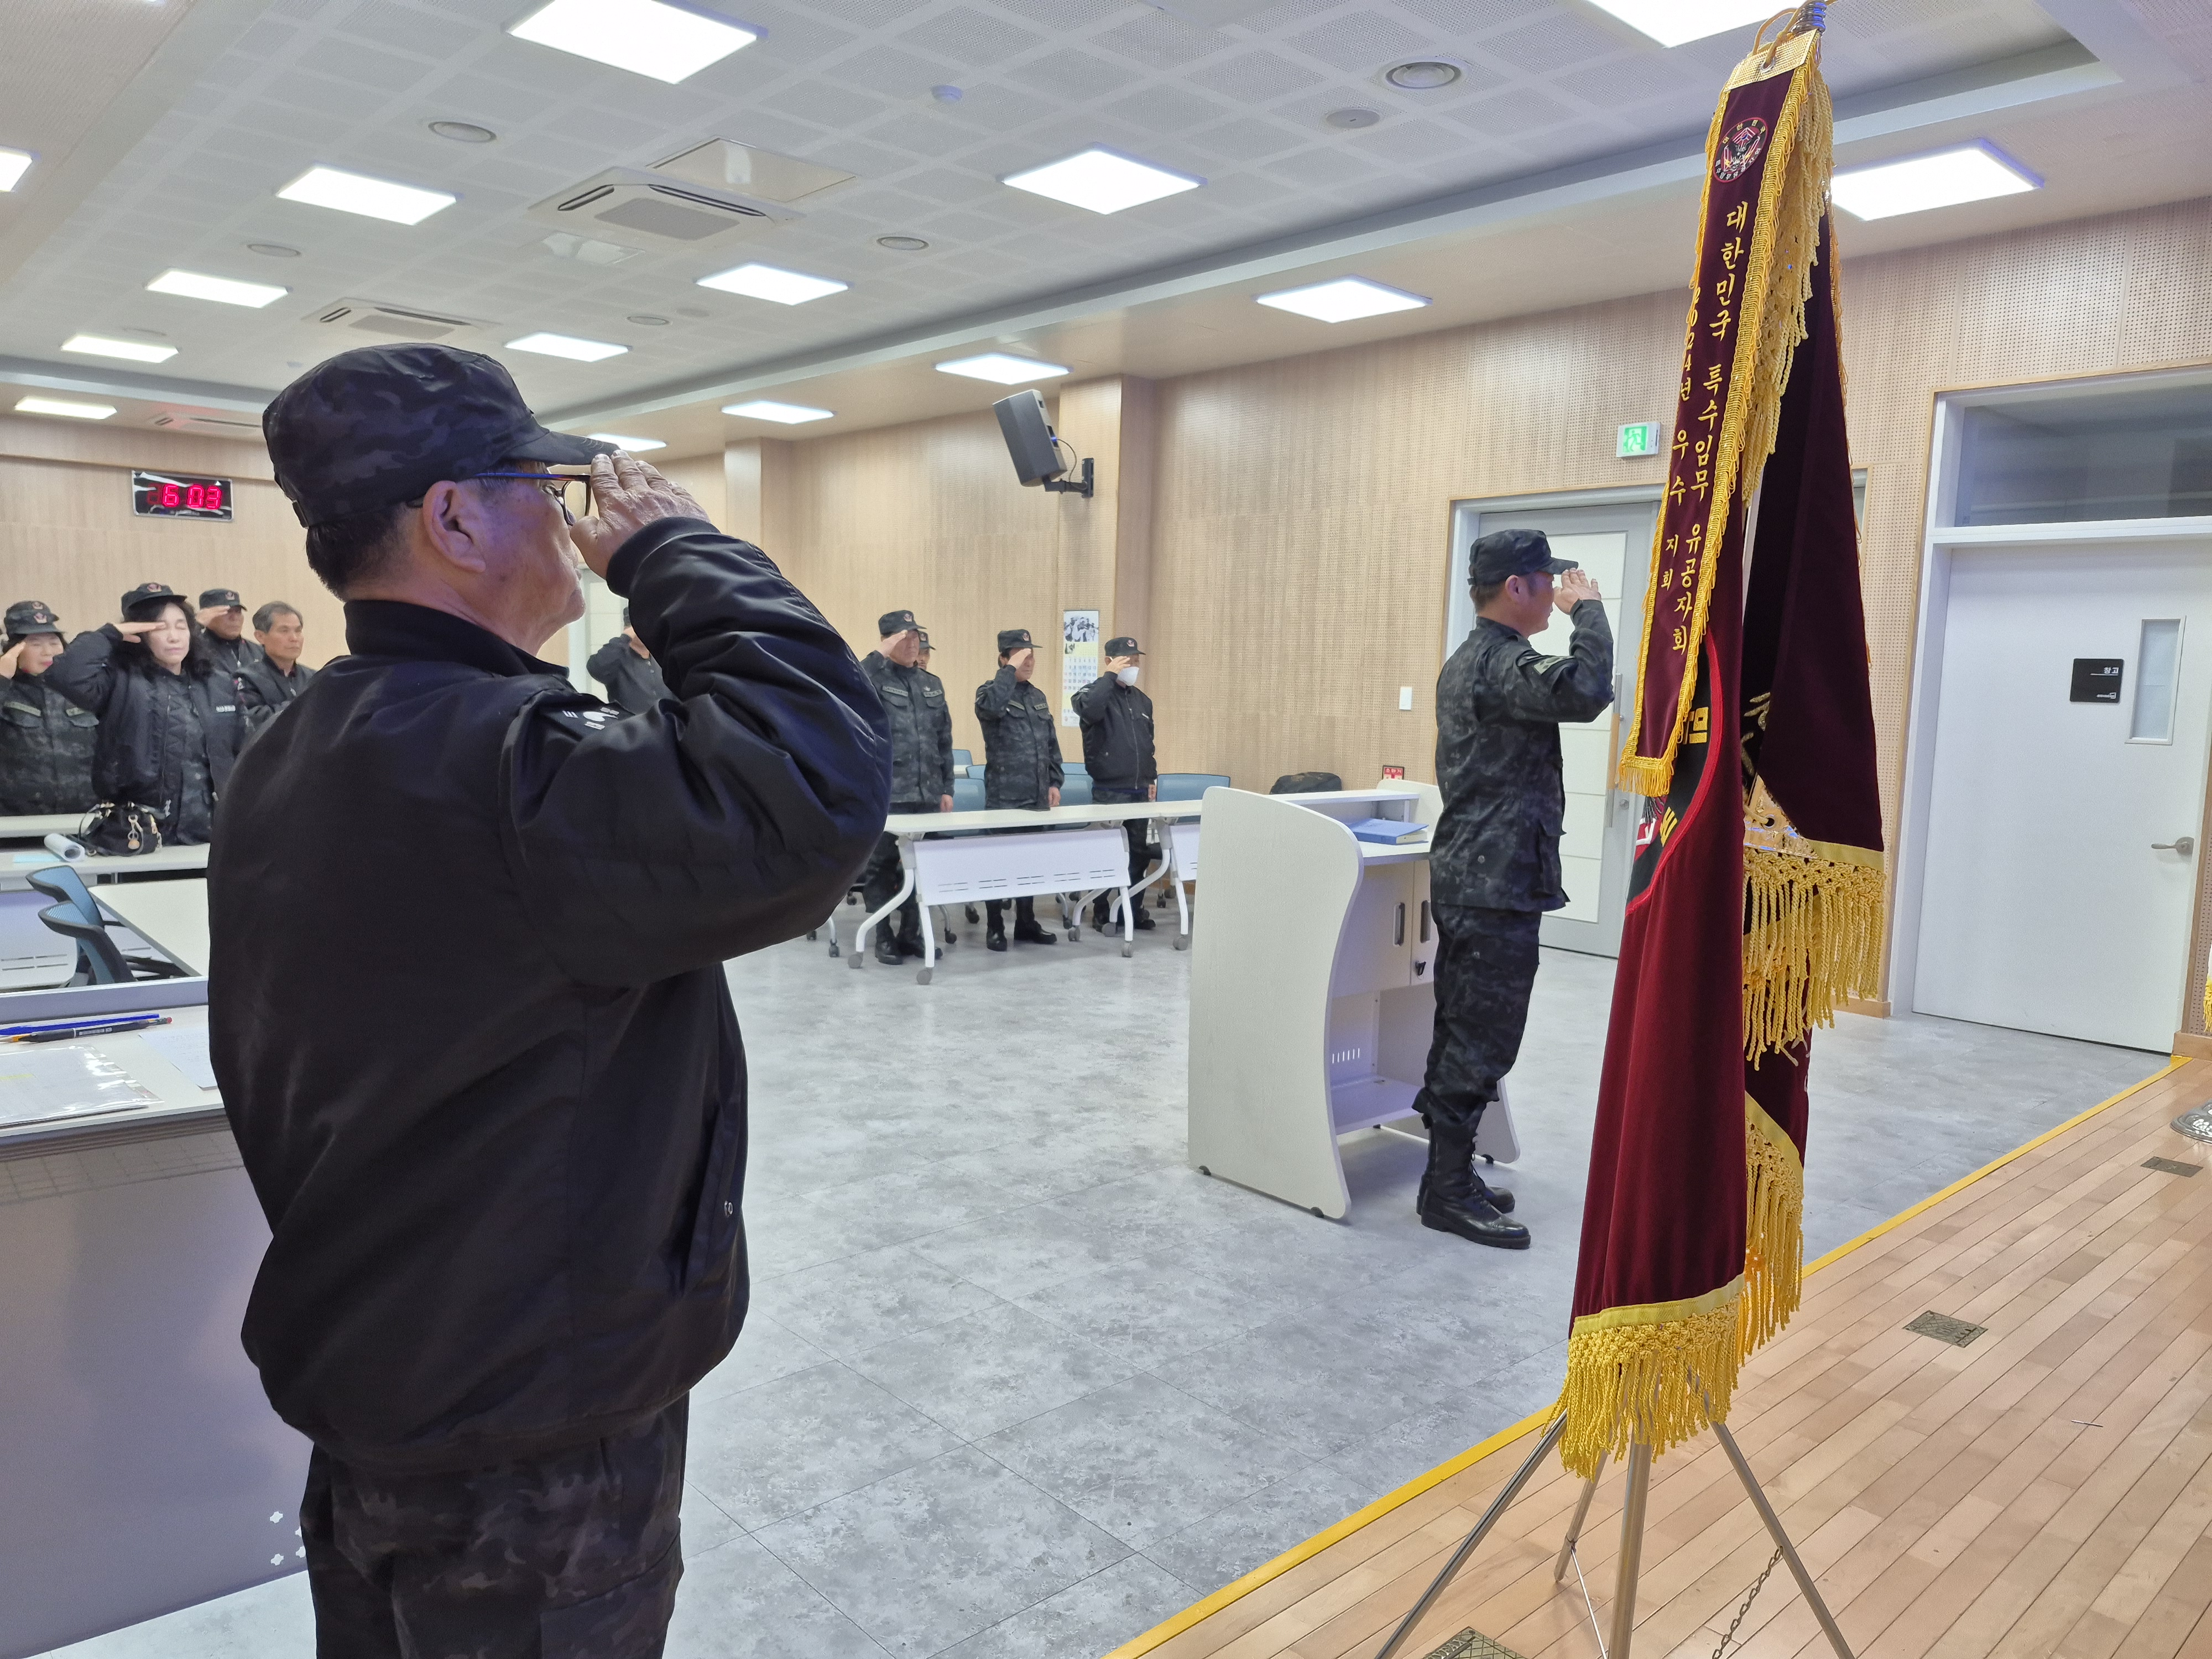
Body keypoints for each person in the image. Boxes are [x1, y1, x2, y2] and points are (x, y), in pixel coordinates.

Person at [211, 342, 889, 1657]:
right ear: (455, 519)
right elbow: (816, 789)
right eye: (542, 485)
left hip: (386, 1358)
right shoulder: (505, 765)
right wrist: (678, 553)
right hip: (525, 1424)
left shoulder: (303, 743)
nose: (574, 519)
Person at [1419, 528, 1611, 1250]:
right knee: (1479, 1042)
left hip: (1485, 879)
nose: (1556, 592)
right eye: (1548, 582)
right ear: (1517, 588)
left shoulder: (1480, 659)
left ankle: (1448, 1176)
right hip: (1491, 883)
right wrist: (1588, 612)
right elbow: (1587, 691)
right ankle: (1445, 1192)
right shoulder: (1501, 664)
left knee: (1467, 1035)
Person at [44, 582, 247, 846]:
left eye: (181, 627)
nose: (174, 637)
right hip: (136, 832)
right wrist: (109, 635)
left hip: (211, 832)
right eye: (160, 628)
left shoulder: (217, 683)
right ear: (139, 635)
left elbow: (246, 749)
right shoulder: (119, 680)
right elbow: (64, 675)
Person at [857, 608, 953, 964]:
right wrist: (880, 653)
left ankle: (911, 934)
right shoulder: (873, 678)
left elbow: (944, 739)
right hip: (889, 791)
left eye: (916, 636)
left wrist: (947, 788)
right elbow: (850, 683)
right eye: (904, 637)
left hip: (927, 792)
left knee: (921, 867)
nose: (913, 643)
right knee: (881, 866)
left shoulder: (931, 683)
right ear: (888, 641)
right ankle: (882, 936)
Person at [974, 626, 1062, 951]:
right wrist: (1009, 672)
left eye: (1032, 655)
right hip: (1005, 797)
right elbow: (992, 709)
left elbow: (1051, 744)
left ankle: (1026, 922)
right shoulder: (990, 692)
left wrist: (1055, 781)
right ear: (1003, 659)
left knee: (1030, 864)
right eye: (1021, 655)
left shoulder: (1038, 697)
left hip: (1036, 797)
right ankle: (995, 926)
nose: (1029, 661)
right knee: (998, 864)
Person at [1072, 634, 1157, 932]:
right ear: (1109, 661)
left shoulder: (1142, 700)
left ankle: (1131, 910)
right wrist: (1109, 677)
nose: (1132, 665)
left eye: (1135, 660)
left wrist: (1151, 777)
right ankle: (1101, 909)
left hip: (1139, 791)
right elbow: (1091, 711)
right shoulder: (1091, 694)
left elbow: (1148, 744)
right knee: (1106, 855)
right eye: (1125, 660)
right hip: (1110, 791)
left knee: (1138, 854)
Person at [0, 600, 98, 815]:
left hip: (85, 819)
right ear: (13, 650)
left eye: (54, 642)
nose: (48, 652)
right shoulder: (7, 691)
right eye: (35, 644)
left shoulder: (83, 690)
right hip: (17, 822)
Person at [237, 602, 316, 730]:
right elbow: (256, 720)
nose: (294, 638)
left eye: (298, 631)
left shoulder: (314, 677)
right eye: (284, 631)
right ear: (260, 637)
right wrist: (303, 705)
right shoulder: (247, 678)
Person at [586, 605, 670, 716]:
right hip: (630, 724)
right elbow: (596, 668)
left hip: (666, 724)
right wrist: (625, 637)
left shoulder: (662, 657)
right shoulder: (617, 658)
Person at [198, 587, 265, 677]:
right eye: (227, 612)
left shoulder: (258, 651)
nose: (234, 618)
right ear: (207, 617)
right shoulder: (195, 651)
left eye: (238, 611)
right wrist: (198, 624)